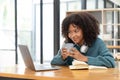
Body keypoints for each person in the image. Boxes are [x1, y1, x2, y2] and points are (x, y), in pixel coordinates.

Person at [51, 12, 115, 68]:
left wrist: (84, 58)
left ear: (86, 29)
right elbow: (53, 62)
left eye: (76, 31)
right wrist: (62, 58)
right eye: (69, 32)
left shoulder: (97, 42)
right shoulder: (68, 43)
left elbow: (110, 62)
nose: (72, 36)